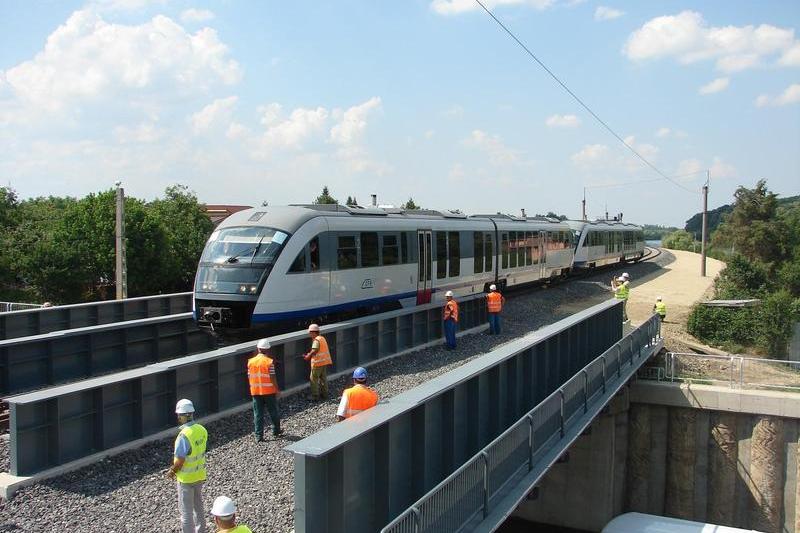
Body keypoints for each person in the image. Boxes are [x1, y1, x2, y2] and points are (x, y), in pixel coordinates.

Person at [167, 398, 208, 533]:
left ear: (185, 416)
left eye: (179, 415)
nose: (178, 418)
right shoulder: (202, 430)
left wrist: (172, 471)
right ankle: (201, 530)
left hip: (186, 479)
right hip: (199, 475)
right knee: (198, 507)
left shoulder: (183, 436)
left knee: (186, 512)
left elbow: (180, 461)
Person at [247, 339, 282, 441]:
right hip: (269, 391)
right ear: (268, 350)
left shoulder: (251, 362)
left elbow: (249, 376)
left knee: (258, 414)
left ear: (258, 349)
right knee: (273, 411)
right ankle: (276, 430)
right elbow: (272, 377)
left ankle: (259, 436)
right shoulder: (269, 362)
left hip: (255, 391)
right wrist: (277, 390)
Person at [303, 323, 333, 401]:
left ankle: (315, 396)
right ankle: (325, 394)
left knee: (313, 379)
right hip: (324, 361)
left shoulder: (316, 340)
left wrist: (308, 356)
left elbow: (315, 350)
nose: (309, 334)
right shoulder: (322, 338)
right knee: (323, 378)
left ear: (313, 332)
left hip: (317, 363)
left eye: (310, 332)